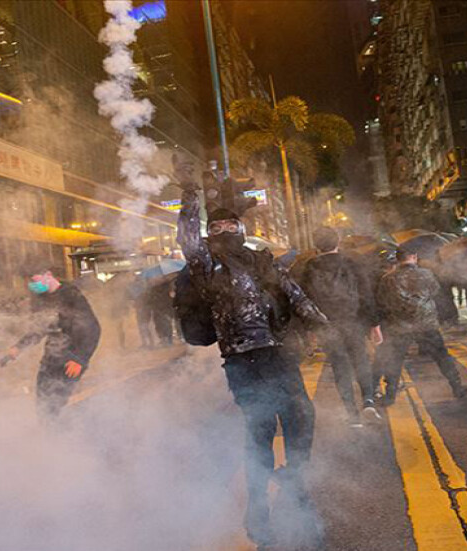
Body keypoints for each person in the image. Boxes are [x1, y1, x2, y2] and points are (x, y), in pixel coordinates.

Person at [175, 165, 327, 547]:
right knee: (260, 433)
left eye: (231, 227)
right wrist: (190, 194)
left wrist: (322, 323)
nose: (224, 233)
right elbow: (188, 239)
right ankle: (258, 511)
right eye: (217, 229)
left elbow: (294, 293)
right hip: (243, 361)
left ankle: (296, 489)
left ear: (241, 231)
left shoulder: (263, 261)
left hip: (279, 354)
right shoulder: (206, 266)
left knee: (300, 419)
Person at [301, 227, 383, 427]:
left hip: (327, 326)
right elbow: (366, 295)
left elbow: (305, 301)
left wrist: (310, 329)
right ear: (338, 241)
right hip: (353, 321)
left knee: (340, 367)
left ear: (316, 245)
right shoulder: (352, 263)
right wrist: (375, 324)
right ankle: (368, 402)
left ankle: (352, 415)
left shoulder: (309, 267)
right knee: (361, 360)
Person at [0, 263, 102, 420]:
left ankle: (64, 435)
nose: (32, 286)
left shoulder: (71, 296)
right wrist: (18, 347)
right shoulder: (40, 299)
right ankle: (48, 435)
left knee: (55, 404)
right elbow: (39, 329)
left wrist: (80, 359)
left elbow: (92, 328)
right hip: (51, 357)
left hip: (72, 359)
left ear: (48, 274)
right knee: (42, 403)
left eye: (35, 280)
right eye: (29, 283)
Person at [374, 247, 467, 404]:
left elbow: (382, 301)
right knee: (442, 356)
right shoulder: (426, 274)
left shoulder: (388, 278)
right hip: (426, 324)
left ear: (397, 259)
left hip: (399, 325)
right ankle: (457, 387)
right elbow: (435, 291)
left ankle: (390, 396)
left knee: (395, 360)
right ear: (414, 256)